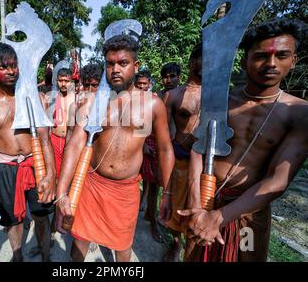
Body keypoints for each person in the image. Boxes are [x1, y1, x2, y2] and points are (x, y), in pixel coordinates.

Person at [180, 18, 308, 262]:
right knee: (196, 255)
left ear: (294, 60)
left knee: (246, 256)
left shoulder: (303, 115)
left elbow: (277, 180)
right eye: (260, 56)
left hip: (247, 213)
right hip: (205, 198)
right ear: (245, 60)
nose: (271, 63)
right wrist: (199, 207)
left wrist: (219, 217)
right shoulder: (219, 101)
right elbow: (198, 149)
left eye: (281, 55)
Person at [56, 34, 175, 262]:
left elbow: (165, 150)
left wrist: (167, 194)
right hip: (90, 184)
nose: (115, 69)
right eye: (110, 64)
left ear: (135, 65)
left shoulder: (152, 104)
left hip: (125, 191)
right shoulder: (93, 102)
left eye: (123, 63)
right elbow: (74, 144)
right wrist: (62, 191)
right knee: (78, 245)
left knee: (122, 248)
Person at [0, 42, 56, 262]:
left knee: (41, 215)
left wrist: (51, 174)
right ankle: (17, 257)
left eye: (14, 65)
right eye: (3, 67)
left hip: (34, 162)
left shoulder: (35, 98)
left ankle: (46, 256)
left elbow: (45, 139)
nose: (11, 71)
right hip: (6, 166)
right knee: (12, 219)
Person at [162, 42, 202, 261]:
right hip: (179, 158)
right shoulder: (174, 95)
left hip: (205, 163)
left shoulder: (220, 95)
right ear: (192, 61)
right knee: (176, 207)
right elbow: (166, 137)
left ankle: (191, 252)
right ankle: (175, 243)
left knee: (198, 207)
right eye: (205, 58)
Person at [134, 70, 164, 244]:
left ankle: (150, 215)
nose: (143, 87)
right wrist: (142, 142)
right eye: (140, 85)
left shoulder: (155, 100)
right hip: (139, 144)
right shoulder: (131, 100)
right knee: (139, 177)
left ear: (150, 84)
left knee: (153, 182)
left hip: (154, 143)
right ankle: (140, 205)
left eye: (145, 84)